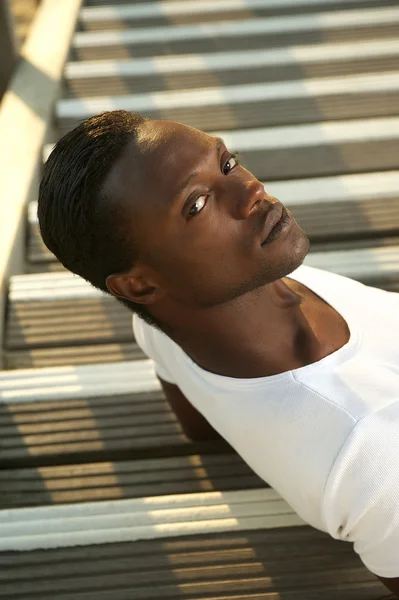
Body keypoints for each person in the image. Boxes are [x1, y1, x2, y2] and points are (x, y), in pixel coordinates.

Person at [38, 110, 399, 597]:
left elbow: (198, 426)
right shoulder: (373, 456)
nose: (251, 191)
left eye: (226, 163)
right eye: (197, 203)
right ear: (140, 283)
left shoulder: (167, 330)